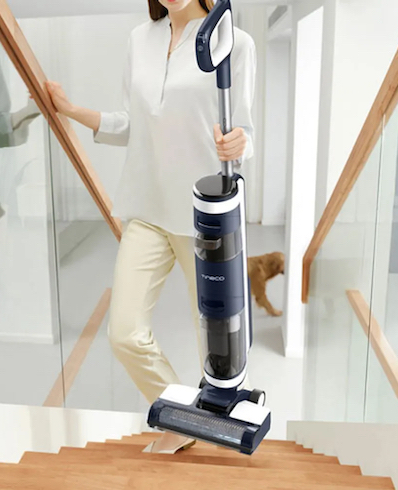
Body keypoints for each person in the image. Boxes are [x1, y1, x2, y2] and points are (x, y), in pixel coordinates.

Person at [46, 0, 256, 453]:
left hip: (204, 217)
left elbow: (244, 131)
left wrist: (242, 141)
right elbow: (131, 123)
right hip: (145, 208)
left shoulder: (233, 41)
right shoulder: (140, 39)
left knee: (217, 346)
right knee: (123, 332)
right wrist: (70, 110)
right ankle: (184, 421)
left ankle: (208, 424)